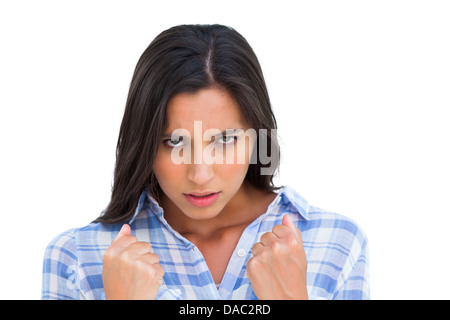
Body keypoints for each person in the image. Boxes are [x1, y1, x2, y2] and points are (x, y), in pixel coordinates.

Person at [41, 24, 369, 300]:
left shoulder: (335, 242)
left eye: (224, 140)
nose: (200, 174)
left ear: (257, 136)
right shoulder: (78, 256)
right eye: (174, 141)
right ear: (144, 143)